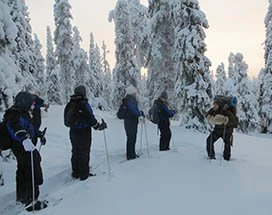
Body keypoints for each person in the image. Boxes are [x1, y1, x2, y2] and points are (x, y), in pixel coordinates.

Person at [4, 91, 45, 207]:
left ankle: (22, 197)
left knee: (24, 169)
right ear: (24, 102)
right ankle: (31, 200)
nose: (32, 106)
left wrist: (39, 134)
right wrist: (24, 139)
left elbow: (29, 127)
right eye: (30, 103)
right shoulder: (14, 114)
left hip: (24, 146)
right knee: (31, 168)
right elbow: (15, 127)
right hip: (21, 146)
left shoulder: (22, 113)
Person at [64, 85, 107, 181]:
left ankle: (75, 172)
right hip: (84, 131)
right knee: (84, 152)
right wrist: (98, 126)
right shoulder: (83, 104)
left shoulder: (70, 103)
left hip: (73, 131)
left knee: (75, 151)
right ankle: (84, 174)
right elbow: (90, 118)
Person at [121, 85, 144, 160]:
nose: (135, 94)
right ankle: (131, 155)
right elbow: (134, 111)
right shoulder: (130, 101)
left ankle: (131, 153)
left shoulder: (128, 100)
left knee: (131, 138)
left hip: (129, 122)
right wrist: (140, 113)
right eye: (134, 93)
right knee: (131, 138)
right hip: (131, 122)